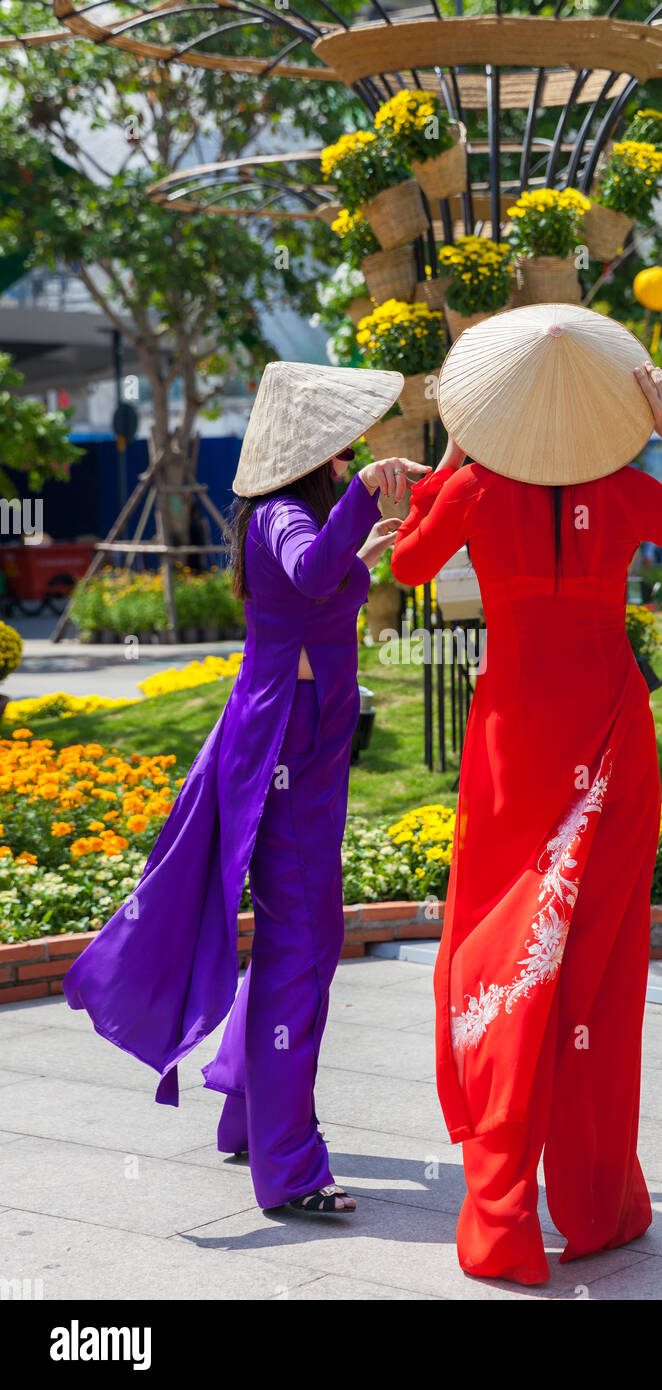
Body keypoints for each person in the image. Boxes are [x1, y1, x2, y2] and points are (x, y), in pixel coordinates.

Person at [390, 305, 662, 1284]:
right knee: (594, 962)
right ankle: (597, 1204)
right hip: (605, 732)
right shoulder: (630, 489)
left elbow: (407, 565)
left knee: (502, 947)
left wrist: (445, 462)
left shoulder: (471, 485)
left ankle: (500, 1216)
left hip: (511, 738)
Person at [64, 361, 429, 1215]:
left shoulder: (289, 513)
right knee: (303, 941)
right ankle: (291, 1169)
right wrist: (358, 509)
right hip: (284, 752)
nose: (347, 462)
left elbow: (315, 584)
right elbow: (305, 572)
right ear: (310, 458)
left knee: (306, 933)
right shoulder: (285, 515)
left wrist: (363, 540)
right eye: (339, 454)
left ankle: (246, 1113)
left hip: (301, 745)